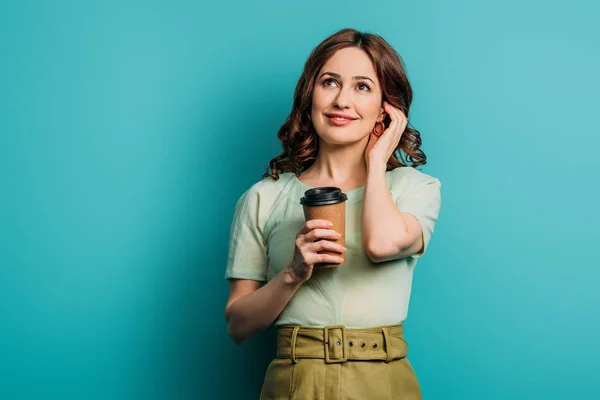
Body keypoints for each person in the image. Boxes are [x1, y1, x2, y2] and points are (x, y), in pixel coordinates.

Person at [224, 28, 442, 399]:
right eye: (330, 82)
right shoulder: (263, 197)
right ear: (309, 97)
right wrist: (293, 274)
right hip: (295, 382)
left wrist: (375, 163)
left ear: (386, 108)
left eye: (362, 87)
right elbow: (238, 325)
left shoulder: (414, 189)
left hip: (382, 382)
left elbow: (381, 243)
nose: (342, 100)